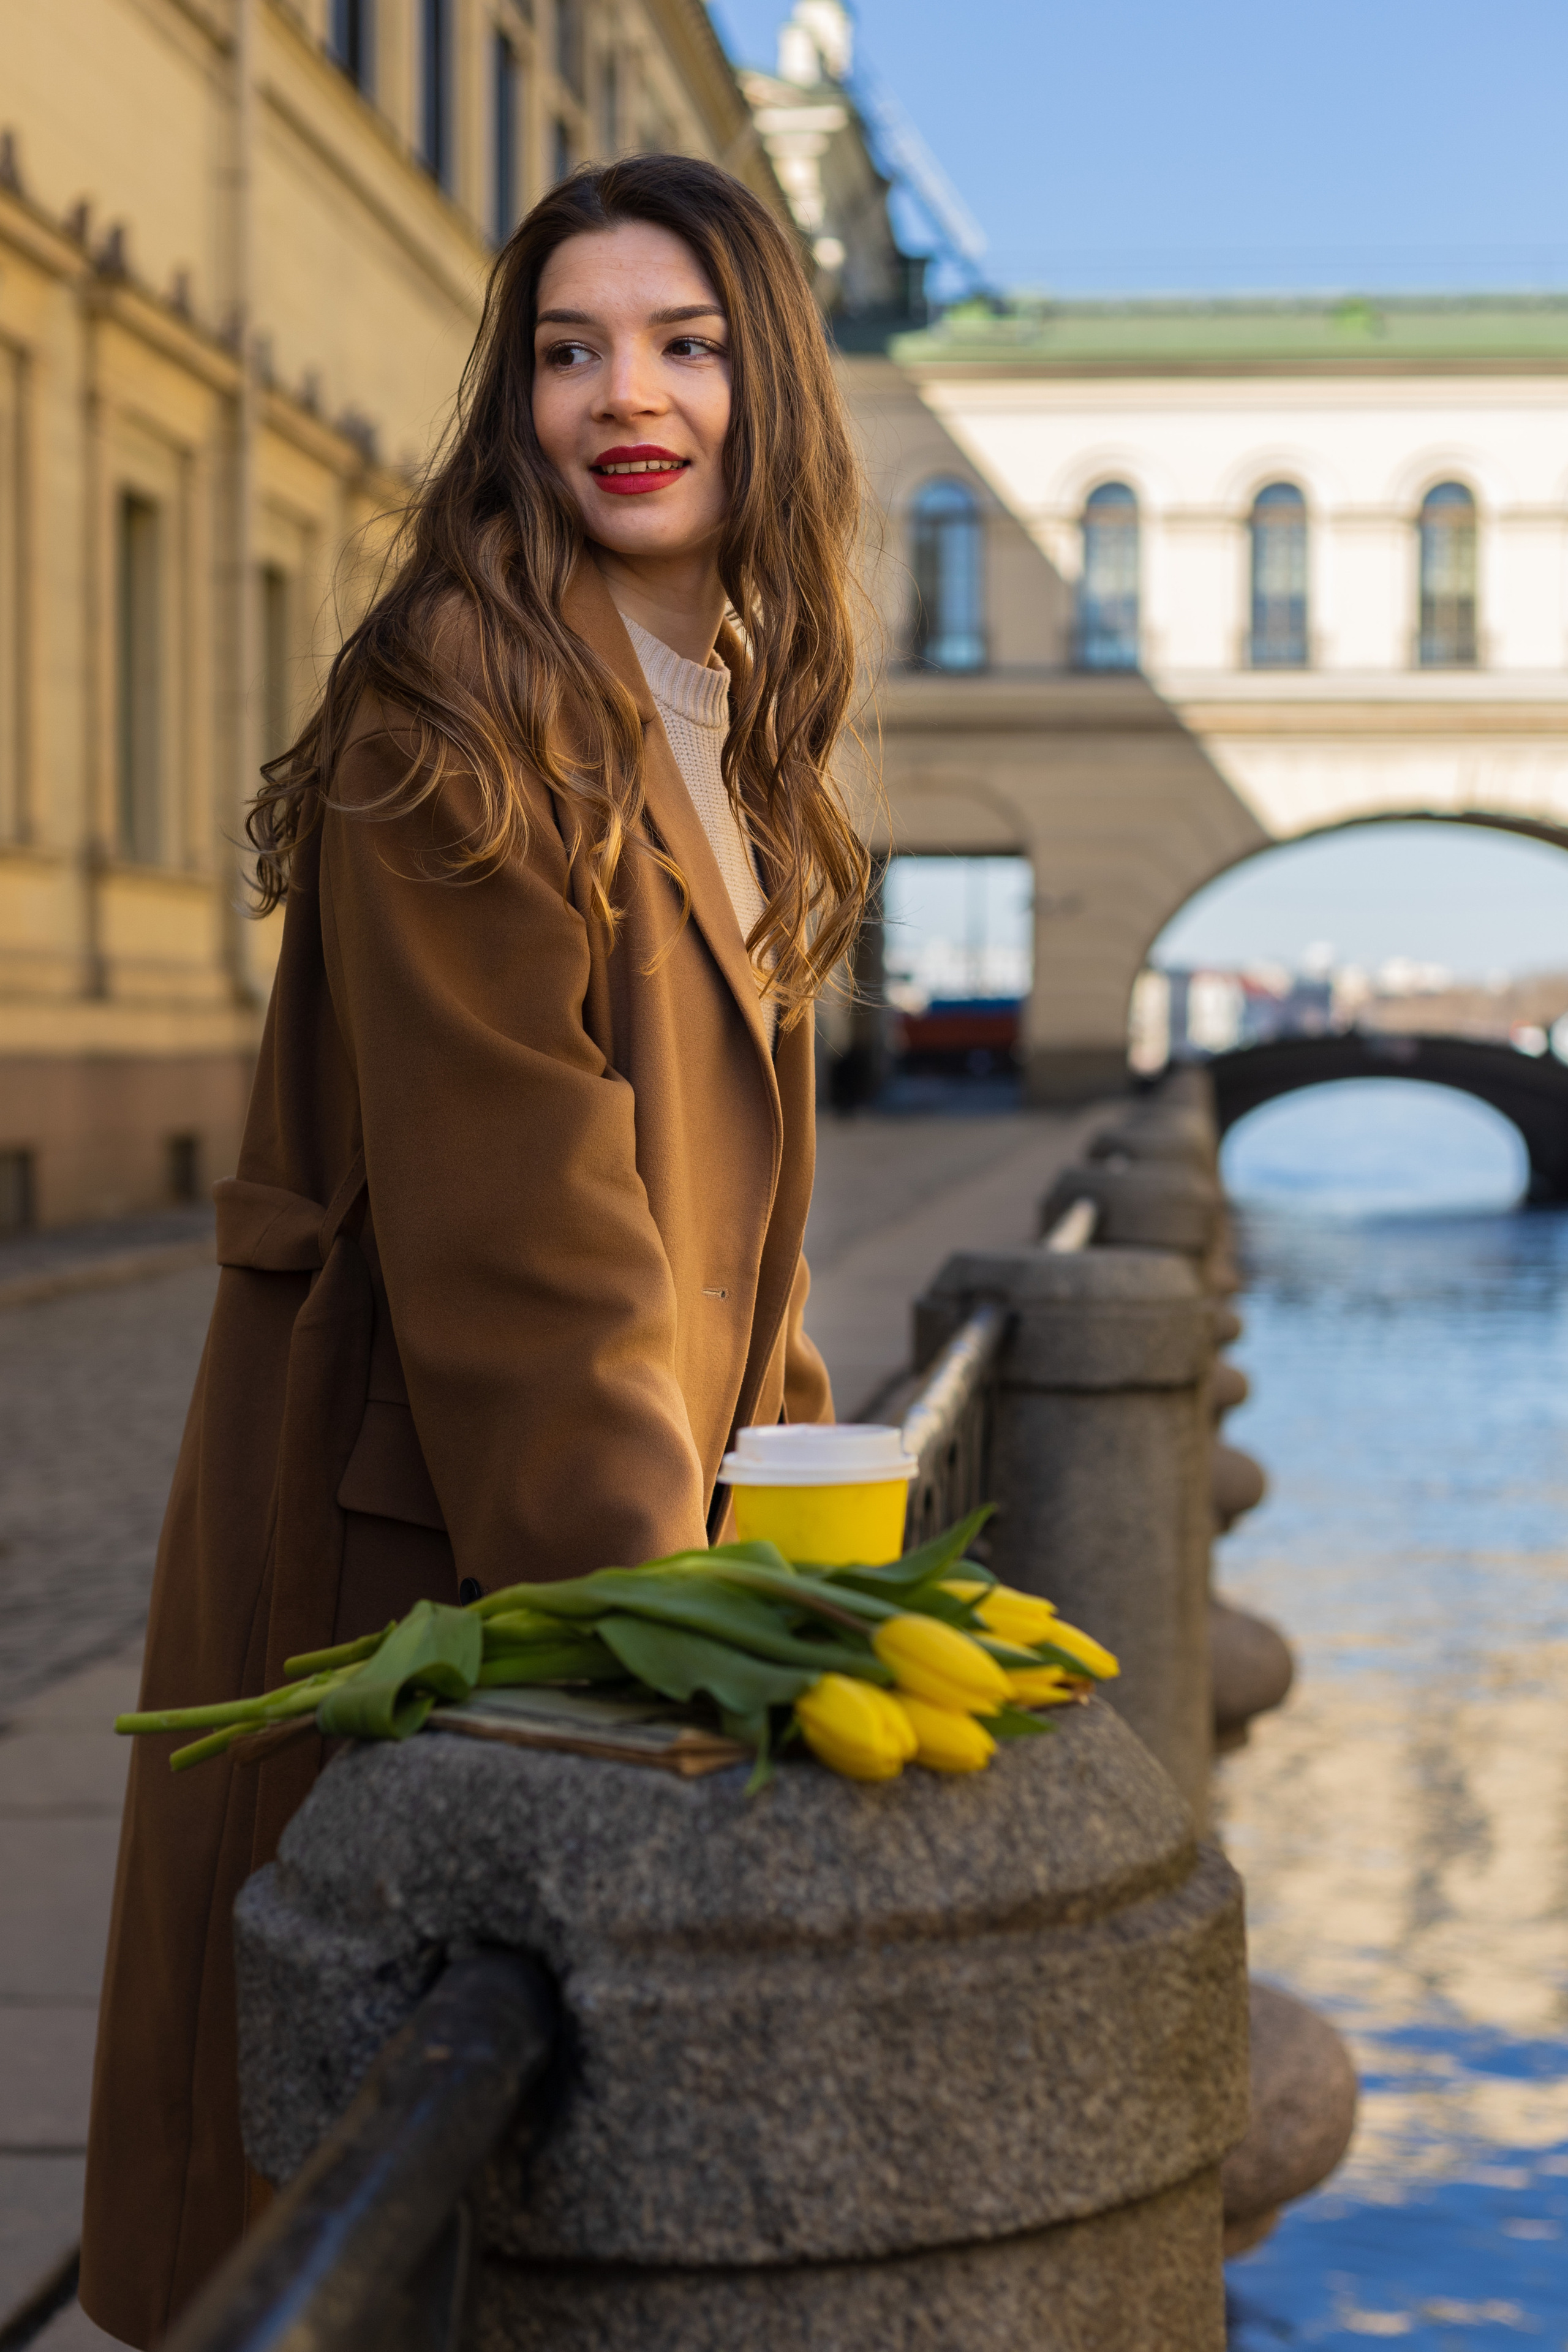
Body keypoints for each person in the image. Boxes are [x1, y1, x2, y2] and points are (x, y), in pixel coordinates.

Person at [80, 154, 871, 2345]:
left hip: (559, 1541)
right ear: (514, 395)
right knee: (347, 2210)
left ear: (768, 384)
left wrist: (816, 1550)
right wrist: (662, 1648)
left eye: (689, 344)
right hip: (421, 1559)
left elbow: (730, 1246)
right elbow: (526, 1241)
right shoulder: (469, 688)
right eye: (571, 347)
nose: (632, 396)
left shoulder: (720, 710)